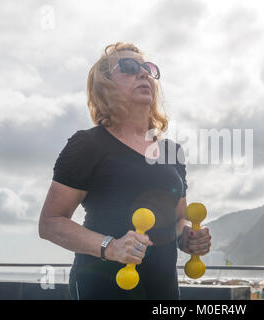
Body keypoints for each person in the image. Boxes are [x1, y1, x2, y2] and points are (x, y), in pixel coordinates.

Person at [38, 42, 212, 300]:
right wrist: (111, 247)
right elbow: (50, 223)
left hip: (162, 289)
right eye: (129, 67)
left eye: (148, 68)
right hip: (100, 287)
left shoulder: (171, 151)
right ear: (104, 85)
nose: (143, 74)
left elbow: (178, 218)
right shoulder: (87, 144)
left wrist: (188, 235)